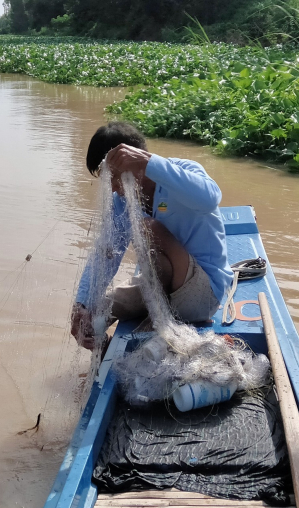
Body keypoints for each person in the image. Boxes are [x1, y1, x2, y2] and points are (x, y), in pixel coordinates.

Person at [71, 122, 233, 349]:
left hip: (203, 294)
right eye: (106, 179)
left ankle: (164, 322)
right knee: (95, 310)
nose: (113, 187)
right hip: (157, 288)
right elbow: (106, 254)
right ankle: (106, 350)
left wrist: (150, 163)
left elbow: (210, 198)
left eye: (115, 176)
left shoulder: (182, 170)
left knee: (150, 228)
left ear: (136, 160)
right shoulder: (121, 202)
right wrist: (82, 304)